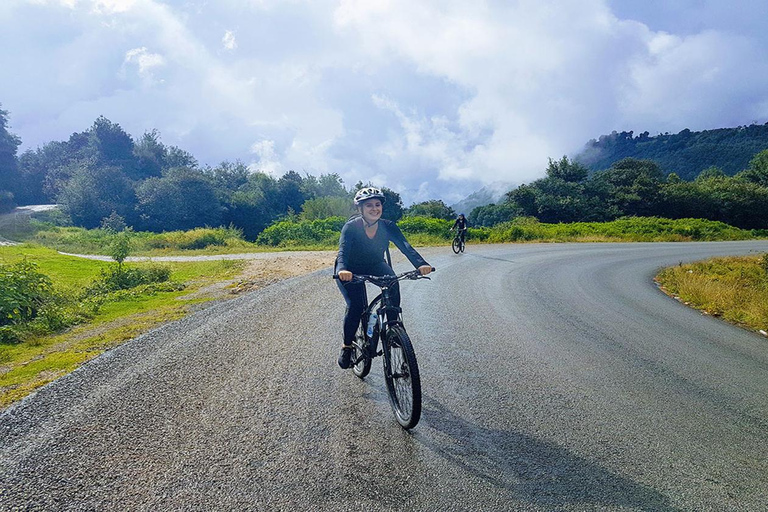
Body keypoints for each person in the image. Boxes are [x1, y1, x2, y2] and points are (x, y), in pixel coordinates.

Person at [335, 187, 432, 369]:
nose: (374, 208)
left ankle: (394, 327)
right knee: (356, 306)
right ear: (360, 209)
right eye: (369, 205)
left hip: (375, 264)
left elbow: (405, 246)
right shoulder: (351, 227)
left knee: (393, 283)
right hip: (350, 269)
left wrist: (420, 264)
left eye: (377, 205)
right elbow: (343, 253)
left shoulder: (388, 226)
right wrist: (342, 270)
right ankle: (347, 346)